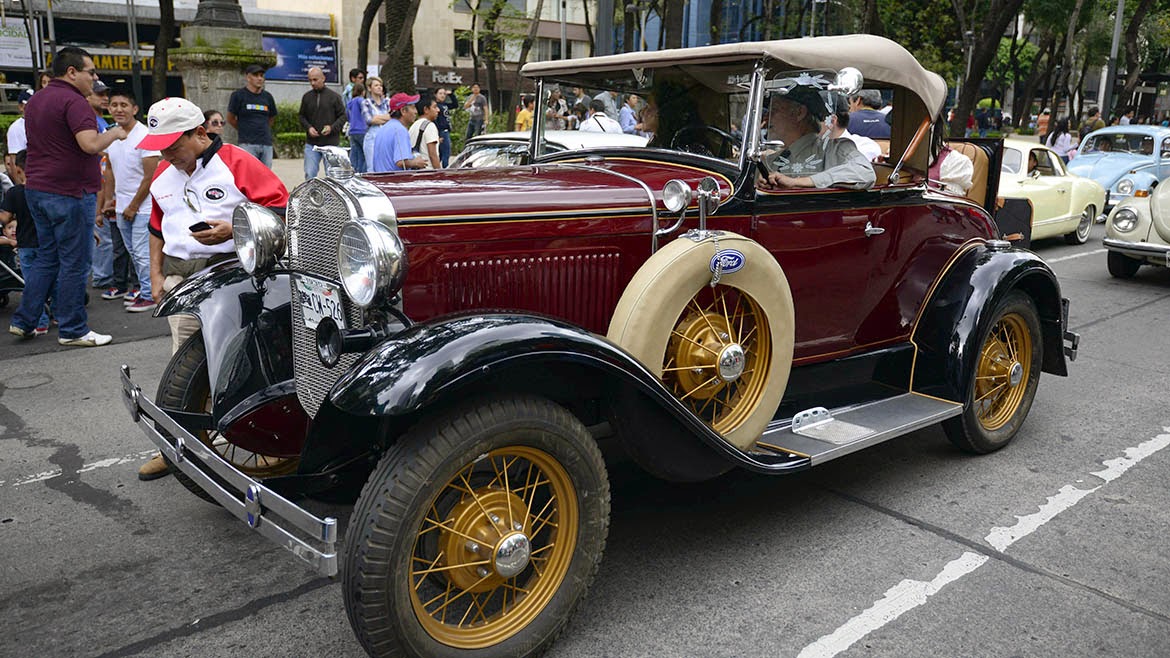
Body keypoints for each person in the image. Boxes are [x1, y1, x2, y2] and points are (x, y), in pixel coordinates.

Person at [134, 96, 288, 480]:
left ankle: (262, 444)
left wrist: (233, 230)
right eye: (160, 149)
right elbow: (156, 228)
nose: (167, 156)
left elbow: (281, 210)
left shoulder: (237, 161)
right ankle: (175, 447)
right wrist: (155, 276)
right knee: (183, 369)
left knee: (238, 363)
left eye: (172, 147)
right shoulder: (163, 177)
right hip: (182, 280)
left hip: (235, 276)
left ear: (200, 133)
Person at [8, 46, 126, 346]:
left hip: (38, 188)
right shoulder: (75, 102)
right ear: (72, 72)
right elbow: (89, 144)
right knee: (75, 262)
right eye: (90, 72)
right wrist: (115, 132)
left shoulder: (36, 101)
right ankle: (73, 329)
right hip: (71, 192)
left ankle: (24, 320)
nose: (94, 78)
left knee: (47, 257)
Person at [104, 89, 160, 313]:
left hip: (142, 207)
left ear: (135, 109)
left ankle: (149, 295)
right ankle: (144, 289)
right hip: (121, 207)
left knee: (142, 252)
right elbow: (109, 170)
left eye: (124, 105)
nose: (119, 109)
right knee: (132, 252)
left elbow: (151, 176)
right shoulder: (112, 135)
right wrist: (109, 200)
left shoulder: (145, 136)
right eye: (114, 105)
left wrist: (134, 206)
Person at [757, 86, 874, 190]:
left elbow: (865, 173)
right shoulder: (773, 160)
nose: (766, 118)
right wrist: (762, 184)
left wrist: (798, 183)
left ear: (799, 113)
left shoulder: (834, 149)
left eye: (775, 110)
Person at [1, 151, 54, 333]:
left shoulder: (14, 193)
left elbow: (5, 217)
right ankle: (60, 315)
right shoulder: (47, 190)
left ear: (18, 169)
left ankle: (40, 322)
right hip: (47, 243)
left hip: (26, 244)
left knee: (32, 284)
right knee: (54, 280)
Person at [298, 66, 346, 179]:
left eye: (315, 79)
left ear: (323, 78)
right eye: (310, 80)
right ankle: (311, 195)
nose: (312, 83)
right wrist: (308, 128)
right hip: (312, 144)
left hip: (331, 143)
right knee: (310, 174)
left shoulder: (334, 97)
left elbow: (343, 116)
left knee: (332, 177)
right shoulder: (307, 97)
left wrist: (332, 127)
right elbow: (301, 116)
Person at [227, 64, 279, 168]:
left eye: (261, 75)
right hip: (247, 143)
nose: (259, 78)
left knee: (266, 176)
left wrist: (263, 129)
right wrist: (244, 128)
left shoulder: (267, 97)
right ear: (248, 77)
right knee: (249, 174)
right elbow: (230, 118)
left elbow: (272, 117)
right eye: (256, 75)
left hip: (266, 143)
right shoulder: (238, 95)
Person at [371, 92, 428, 172]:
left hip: (381, 181)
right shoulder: (400, 130)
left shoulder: (384, 128)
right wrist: (416, 162)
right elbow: (401, 162)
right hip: (394, 181)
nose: (416, 112)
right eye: (413, 107)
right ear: (403, 111)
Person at [361, 76, 391, 170]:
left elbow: (391, 117)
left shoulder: (387, 102)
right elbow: (369, 120)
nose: (379, 87)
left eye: (380, 85)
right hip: (372, 138)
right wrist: (385, 118)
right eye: (376, 85)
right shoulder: (366, 102)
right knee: (372, 167)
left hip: (386, 136)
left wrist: (377, 118)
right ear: (370, 88)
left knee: (385, 165)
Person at [409, 96, 442, 169]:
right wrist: (440, 173)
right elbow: (433, 154)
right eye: (435, 107)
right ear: (426, 109)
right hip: (428, 171)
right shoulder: (430, 126)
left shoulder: (414, 126)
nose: (438, 110)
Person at [5, 89, 31, 181]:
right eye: (29, 105)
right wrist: (20, 186)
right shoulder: (16, 128)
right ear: (21, 107)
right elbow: (14, 160)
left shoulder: (43, 122)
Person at [345, 82, 368, 173]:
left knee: (355, 154)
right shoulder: (361, 100)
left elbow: (347, 115)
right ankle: (362, 173)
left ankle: (354, 172)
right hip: (362, 129)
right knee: (365, 155)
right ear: (363, 92)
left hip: (353, 130)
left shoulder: (350, 102)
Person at [434, 87, 457, 167]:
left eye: (444, 94)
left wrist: (451, 95)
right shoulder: (436, 106)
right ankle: (445, 169)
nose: (442, 95)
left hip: (446, 130)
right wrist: (438, 135)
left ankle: (437, 168)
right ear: (436, 95)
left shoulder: (445, 105)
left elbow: (455, 105)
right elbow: (435, 120)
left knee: (441, 154)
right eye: (440, 93)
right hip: (442, 131)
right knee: (445, 153)